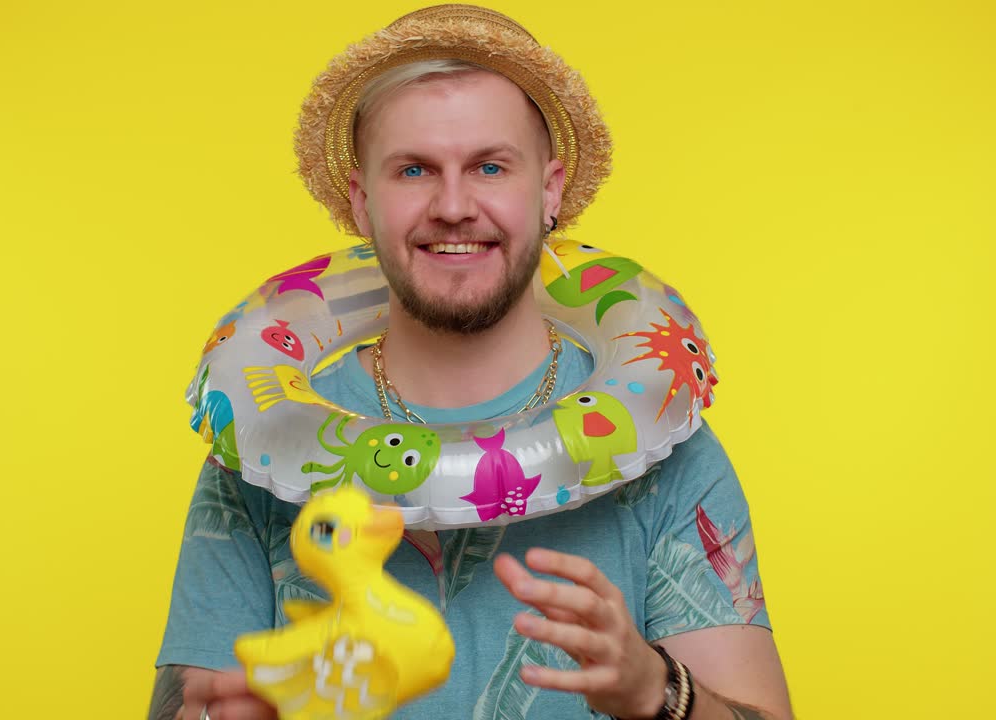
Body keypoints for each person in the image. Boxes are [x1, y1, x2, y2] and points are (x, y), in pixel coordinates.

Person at [149, 6, 792, 720]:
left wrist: (657, 689)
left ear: (549, 190)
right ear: (362, 202)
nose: (453, 206)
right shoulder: (267, 451)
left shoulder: (667, 451)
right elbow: (190, 705)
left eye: (490, 166)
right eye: (414, 169)